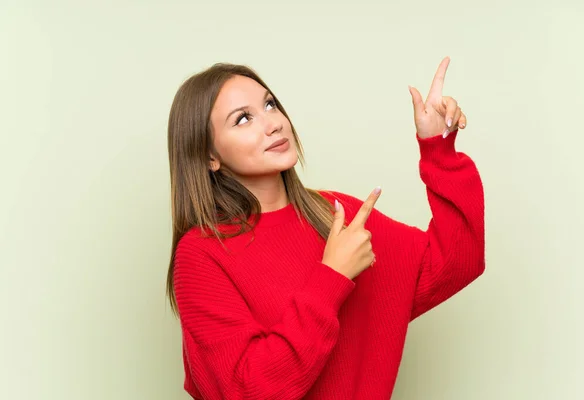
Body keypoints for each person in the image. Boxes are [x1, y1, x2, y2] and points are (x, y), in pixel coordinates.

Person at [165, 56, 485, 400]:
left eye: (270, 105)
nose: (273, 124)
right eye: (243, 119)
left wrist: (438, 148)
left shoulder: (337, 214)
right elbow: (247, 391)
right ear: (209, 156)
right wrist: (332, 277)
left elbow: (456, 262)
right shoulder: (202, 253)